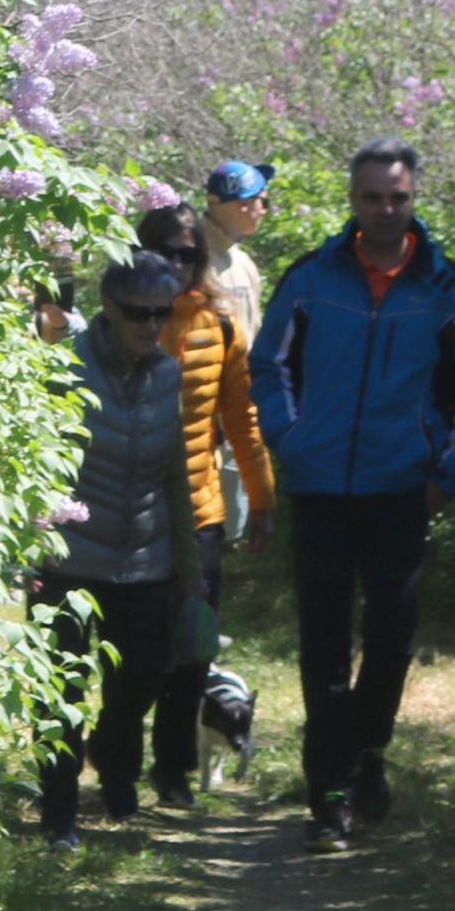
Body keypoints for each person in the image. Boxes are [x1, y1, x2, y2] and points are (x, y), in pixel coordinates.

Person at [248, 137, 455, 853]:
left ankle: (367, 756)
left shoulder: (446, 287)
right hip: (320, 486)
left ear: (413, 198)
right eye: (371, 196)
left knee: (389, 637)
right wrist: (289, 439)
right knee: (323, 644)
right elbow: (266, 365)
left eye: (397, 196)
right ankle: (326, 795)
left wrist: (449, 476)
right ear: (352, 200)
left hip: (402, 490)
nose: (385, 209)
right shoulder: (310, 278)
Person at [33, 253, 202, 846]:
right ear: (108, 308)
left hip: (146, 561)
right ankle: (59, 815)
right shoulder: (63, 369)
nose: (151, 324)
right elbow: (29, 468)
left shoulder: (168, 374)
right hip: (69, 562)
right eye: (139, 312)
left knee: (140, 685)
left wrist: (190, 568)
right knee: (60, 694)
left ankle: (115, 763)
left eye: (163, 312)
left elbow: (177, 477)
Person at [134, 203, 271, 809]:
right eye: (165, 250)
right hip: (127, 512)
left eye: (188, 253)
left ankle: (173, 772)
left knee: (192, 647)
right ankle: (117, 768)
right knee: (135, 649)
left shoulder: (218, 324)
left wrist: (263, 498)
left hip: (201, 511)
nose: (177, 262)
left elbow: (241, 415)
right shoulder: (120, 322)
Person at [196, 158, 272, 341]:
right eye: (264, 202)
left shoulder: (245, 263)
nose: (264, 211)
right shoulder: (188, 259)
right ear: (243, 204)